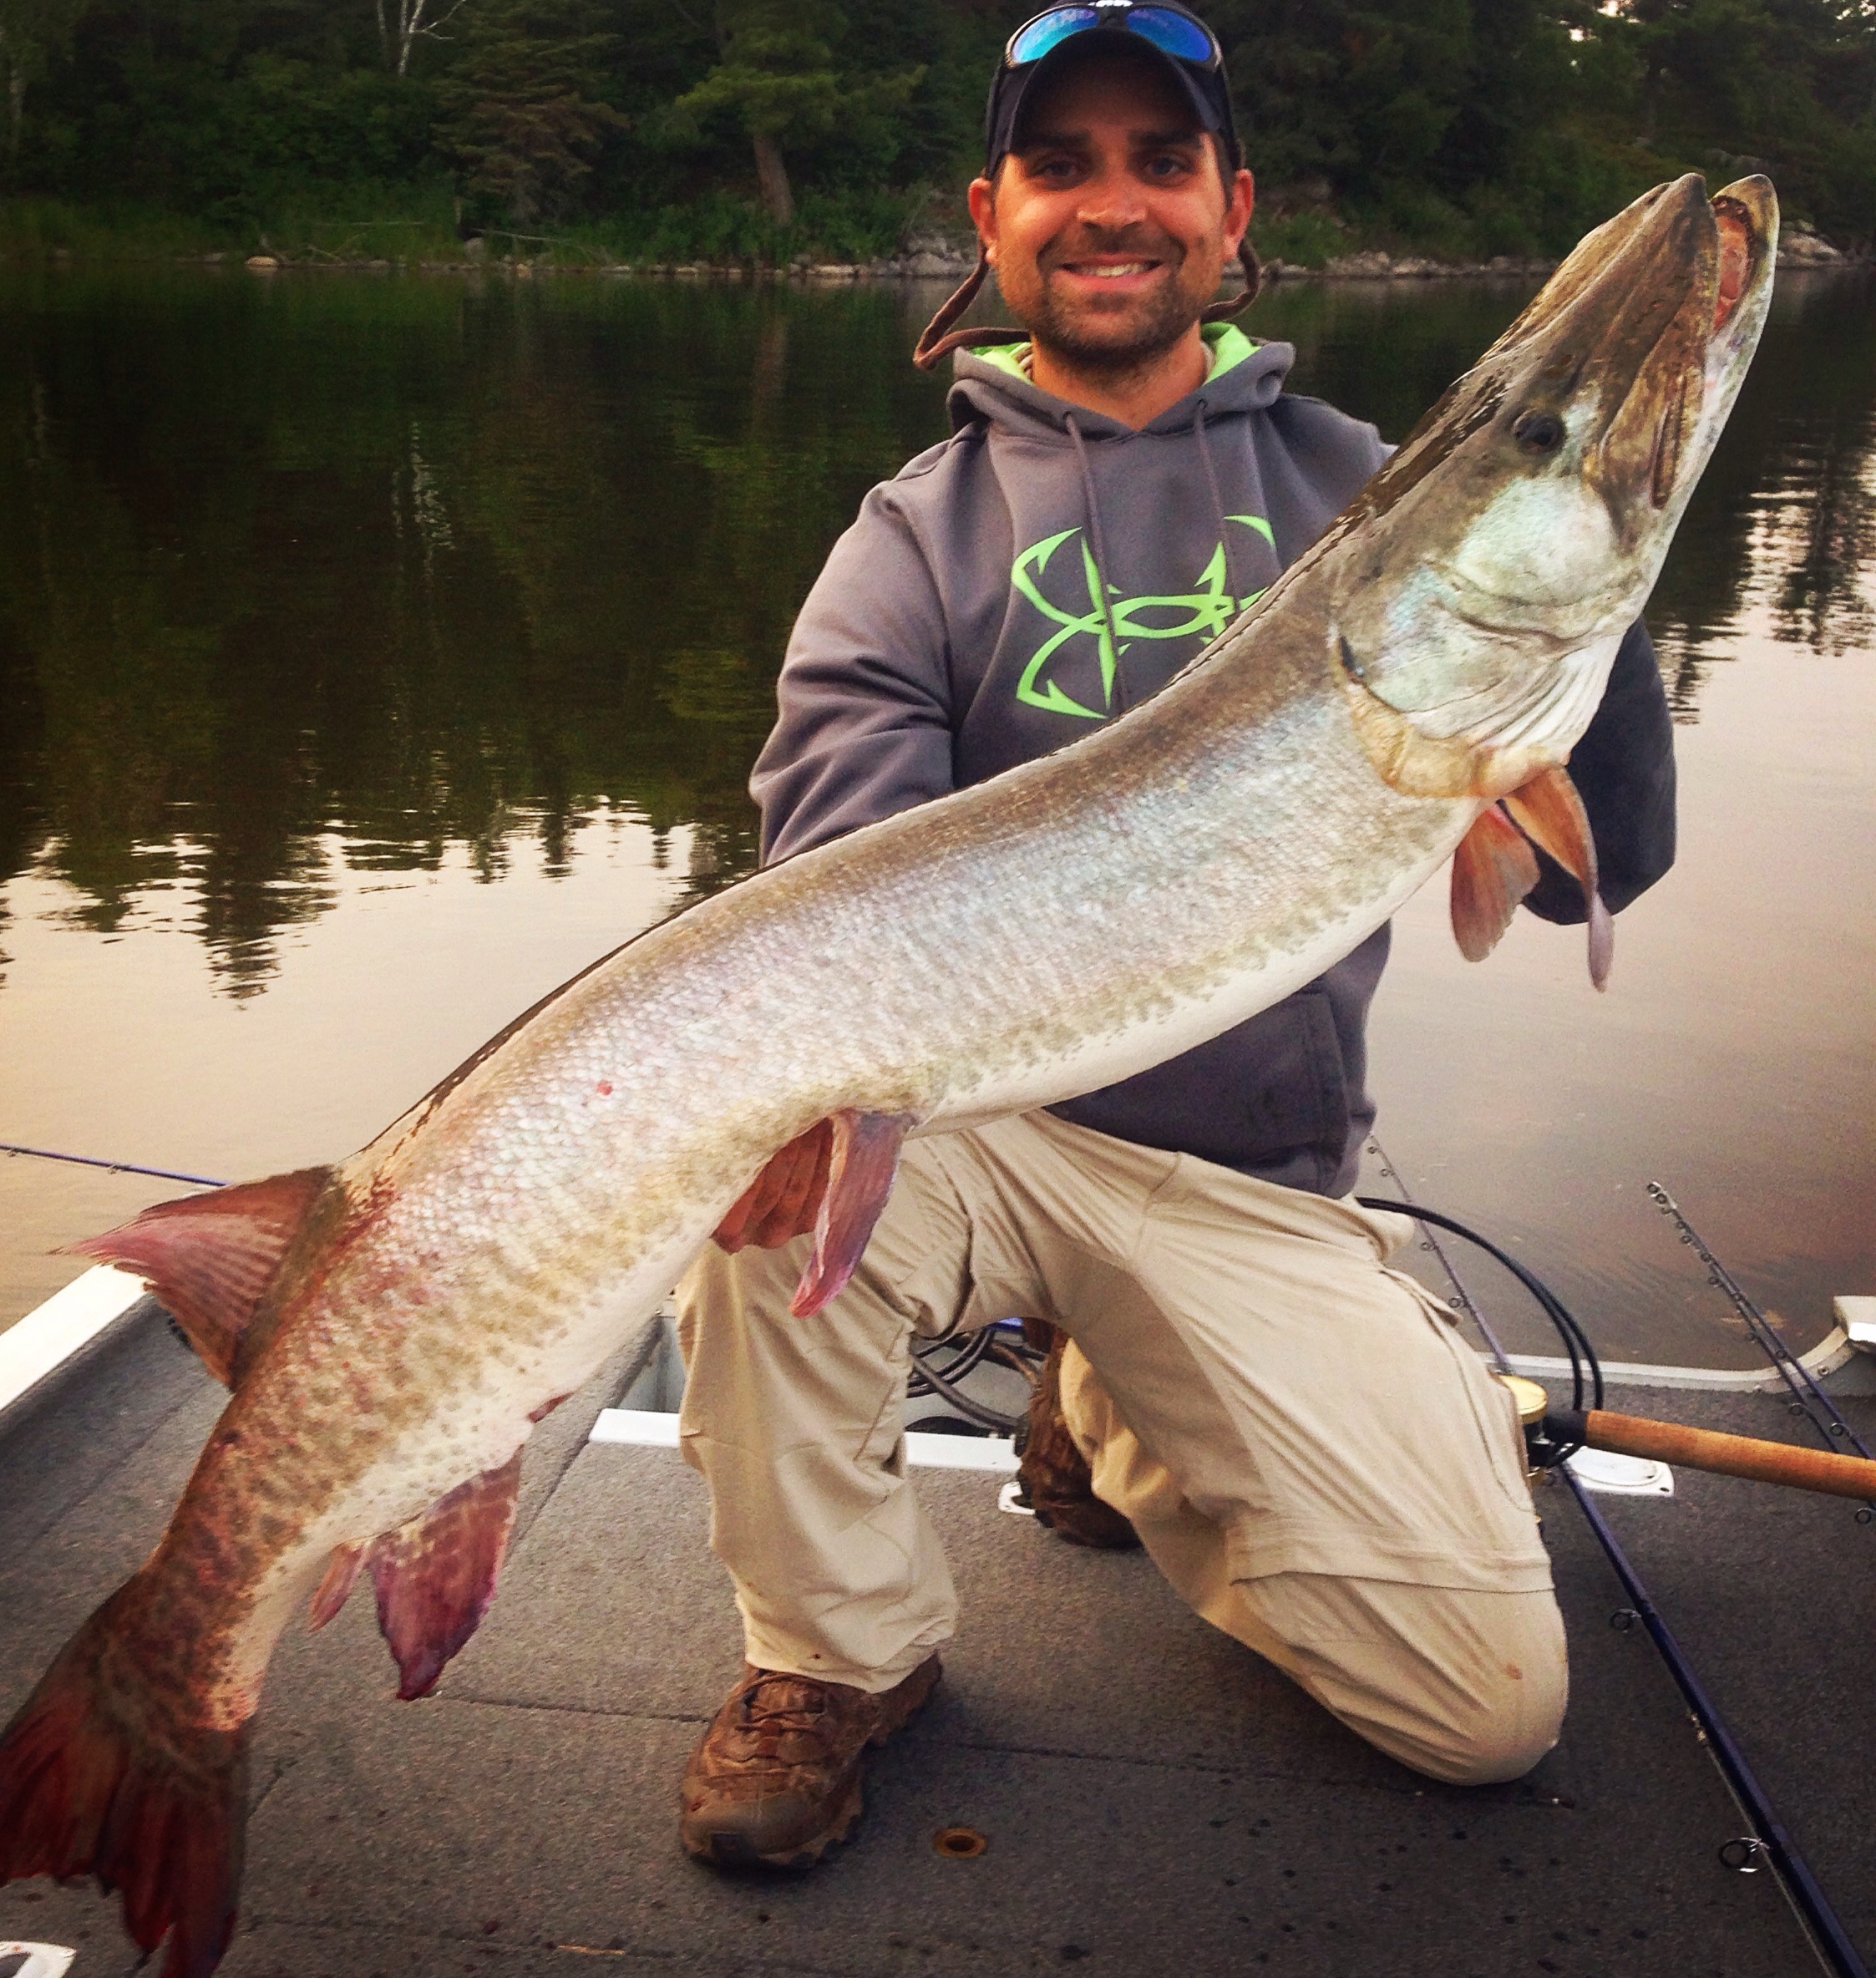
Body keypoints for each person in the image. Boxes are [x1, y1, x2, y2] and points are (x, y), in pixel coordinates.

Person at [672, 0, 1676, 1871]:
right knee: (756, 1170)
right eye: (1061, 164)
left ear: (1234, 210)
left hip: (1254, 1179)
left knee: (1488, 1716)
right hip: (984, 1130)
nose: (1109, 204)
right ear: (992, 215)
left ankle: (1121, 1403)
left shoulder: (1370, 492)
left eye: (1158, 162)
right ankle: (840, 1653)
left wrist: (1596, 595)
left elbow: (1580, 867)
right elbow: (842, 908)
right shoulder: (909, 540)